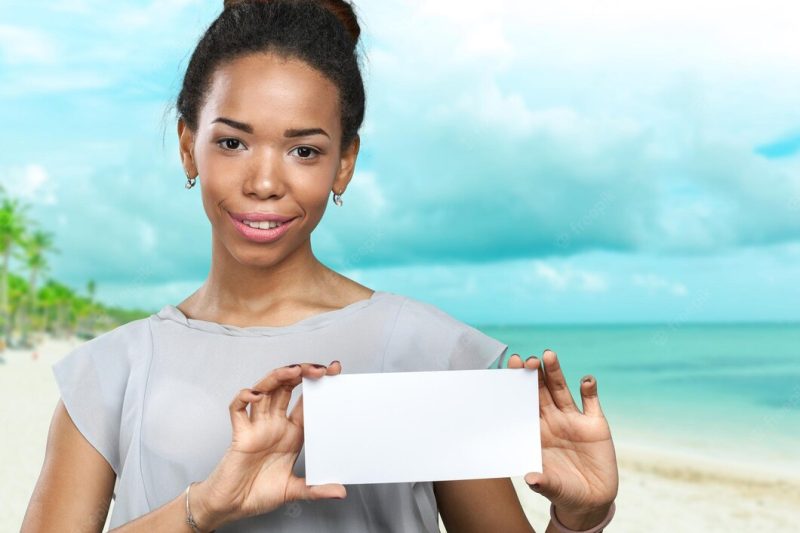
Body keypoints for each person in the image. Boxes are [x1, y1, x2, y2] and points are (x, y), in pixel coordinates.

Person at [22, 1, 619, 531]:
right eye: (232, 142)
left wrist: (578, 520)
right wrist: (202, 508)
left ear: (344, 164)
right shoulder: (110, 373)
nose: (263, 182)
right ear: (187, 145)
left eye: (304, 150)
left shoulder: (420, 352)